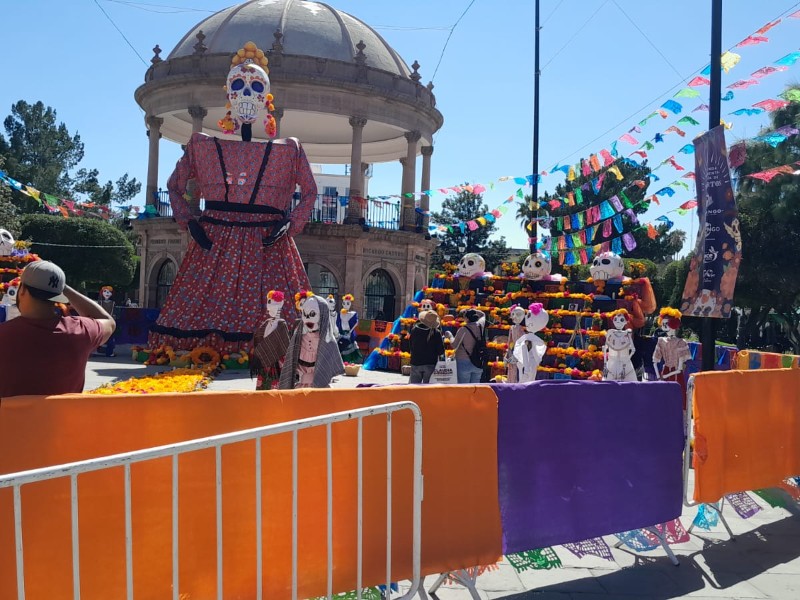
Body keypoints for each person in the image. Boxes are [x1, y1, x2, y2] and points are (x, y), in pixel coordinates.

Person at [148, 42, 317, 355]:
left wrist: (291, 223)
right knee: (209, 303)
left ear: (267, 97)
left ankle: (271, 352)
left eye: (256, 87)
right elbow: (174, 186)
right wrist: (189, 222)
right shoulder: (201, 145)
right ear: (228, 93)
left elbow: (310, 191)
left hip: (268, 238)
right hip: (215, 237)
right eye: (238, 85)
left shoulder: (290, 148)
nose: (247, 95)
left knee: (272, 306)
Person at [0, 261, 115, 397]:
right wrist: (63, 287)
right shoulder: (80, 331)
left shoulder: (4, 335)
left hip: (11, 418)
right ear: (58, 295)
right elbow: (109, 322)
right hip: (63, 418)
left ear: (23, 290)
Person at [409, 310, 446, 384]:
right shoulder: (436, 333)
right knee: (428, 389)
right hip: (430, 363)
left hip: (416, 362)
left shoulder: (415, 330)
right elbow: (441, 350)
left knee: (413, 388)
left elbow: (410, 345)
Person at [451, 308, 486, 384]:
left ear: (466, 318)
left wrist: (450, 337)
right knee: (475, 389)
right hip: (478, 361)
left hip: (463, 362)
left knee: (464, 389)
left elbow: (454, 345)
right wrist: (472, 310)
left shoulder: (462, 330)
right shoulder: (481, 326)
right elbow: (483, 314)